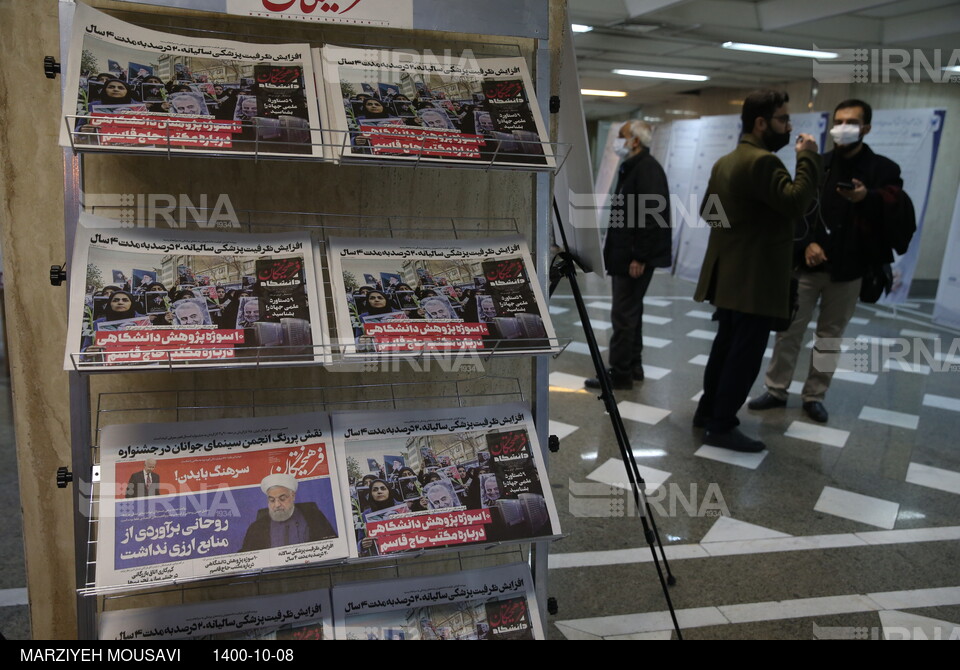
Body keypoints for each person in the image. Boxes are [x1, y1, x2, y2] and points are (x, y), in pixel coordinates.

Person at [748, 99, 906, 424]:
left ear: (866, 128)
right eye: (839, 121)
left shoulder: (883, 170)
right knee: (789, 330)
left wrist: (868, 198)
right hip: (807, 266)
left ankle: (814, 395)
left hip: (849, 271)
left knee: (830, 336)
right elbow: (799, 209)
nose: (843, 127)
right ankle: (776, 389)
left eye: (851, 122)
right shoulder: (818, 163)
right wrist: (807, 243)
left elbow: (896, 215)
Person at [692, 90, 822, 453]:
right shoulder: (764, 163)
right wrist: (808, 157)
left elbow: (710, 212)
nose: (789, 126)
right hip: (754, 281)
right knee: (744, 356)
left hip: (729, 277)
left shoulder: (726, 161)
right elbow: (796, 202)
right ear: (761, 123)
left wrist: (741, 234)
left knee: (724, 349)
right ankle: (721, 424)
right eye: (783, 119)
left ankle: (706, 411)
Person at [585, 120, 672, 391]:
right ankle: (633, 365)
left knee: (623, 314)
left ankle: (620, 373)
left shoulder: (647, 169)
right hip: (627, 253)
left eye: (621, 137)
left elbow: (651, 215)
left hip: (634, 257)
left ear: (635, 141)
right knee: (632, 310)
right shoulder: (634, 167)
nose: (617, 142)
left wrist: (639, 256)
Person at [240, 473, 335, 551]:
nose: (277, 504)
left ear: (293, 496)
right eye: (272, 500)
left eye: (282, 498)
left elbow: (332, 546)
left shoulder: (314, 517)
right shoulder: (256, 528)